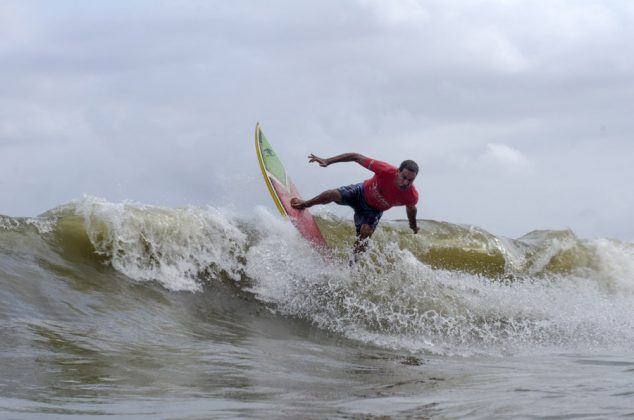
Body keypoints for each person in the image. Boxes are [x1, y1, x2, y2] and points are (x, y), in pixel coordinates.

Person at [291, 153, 419, 254]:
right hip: (359, 193)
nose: (406, 183)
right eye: (404, 177)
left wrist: (413, 225)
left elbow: (411, 209)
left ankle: (351, 267)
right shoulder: (385, 170)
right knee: (332, 194)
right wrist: (328, 161)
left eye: (410, 180)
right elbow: (355, 157)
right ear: (398, 171)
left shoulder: (411, 195)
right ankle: (305, 204)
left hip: (372, 211)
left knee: (365, 234)